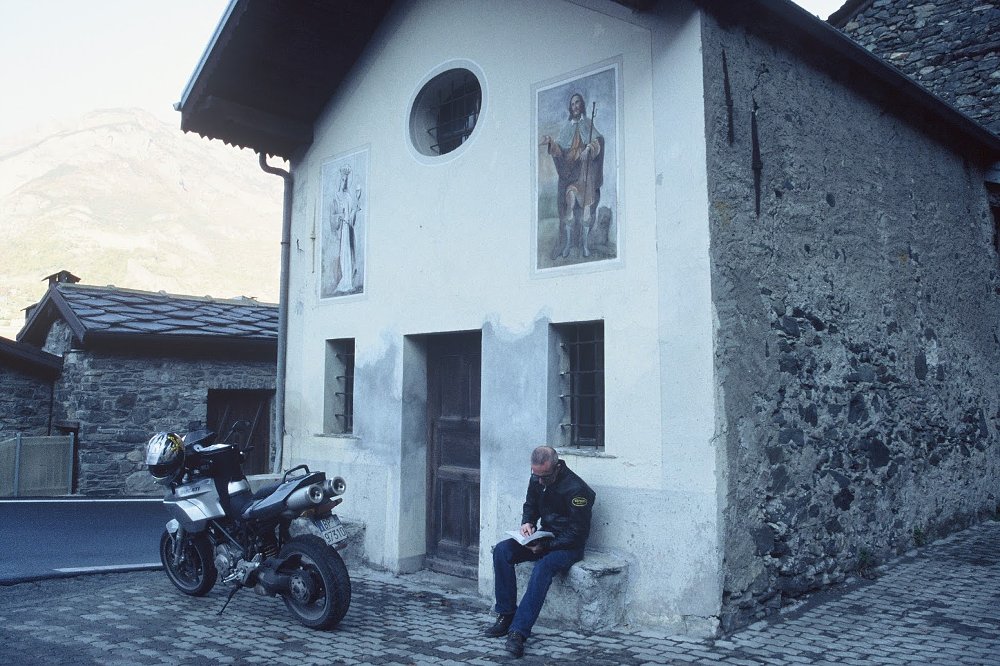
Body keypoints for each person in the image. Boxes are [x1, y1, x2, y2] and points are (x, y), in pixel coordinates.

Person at [484, 446, 596, 658]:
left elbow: (578, 533)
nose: (540, 481)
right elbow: (531, 505)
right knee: (502, 550)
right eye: (536, 475)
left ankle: (518, 632)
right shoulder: (537, 477)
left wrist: (545, 547)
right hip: (542, 538)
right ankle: (506, 614)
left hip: (567, 546)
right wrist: (527, 523)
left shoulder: (577, 490)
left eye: (544, 477)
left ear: (557, 467)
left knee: (543, 567)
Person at [540, 92, 604, 260]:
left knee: (587, 212)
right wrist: (551, 142)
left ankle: (584, 246)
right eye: (573, 104)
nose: (575, 106)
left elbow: (598, 142)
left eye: (577, 103)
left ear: (581, 105)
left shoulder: (588, 125)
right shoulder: (567, 128)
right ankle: (567, 244)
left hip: (586, 176)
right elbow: (560, 151)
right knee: (569, 204)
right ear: (571, 108)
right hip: (571, 177)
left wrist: (589, 148)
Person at [332, 166, 362, 293]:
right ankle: (345, 279)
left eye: (346, 180)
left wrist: (354, 210)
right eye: (343, 180)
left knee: (350, 253)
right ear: (340, 181)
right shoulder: (337, 196)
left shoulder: (348, 196)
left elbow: (351, 213)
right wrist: (341, 216)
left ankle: (348, 280)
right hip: (343, 228)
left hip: (349, 228)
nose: (344, 182)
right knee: (344, 253)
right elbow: (334, 214)